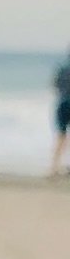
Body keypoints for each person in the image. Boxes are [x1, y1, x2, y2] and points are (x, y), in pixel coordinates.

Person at [52, 48, 70, 176]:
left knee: (61, 135)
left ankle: (54, 167)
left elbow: (55, 86)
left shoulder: (62, 69)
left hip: (62, 102)